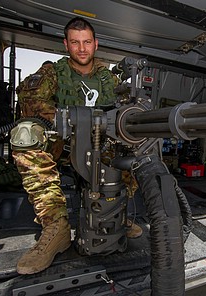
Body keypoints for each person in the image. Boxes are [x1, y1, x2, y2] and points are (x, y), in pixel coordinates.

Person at [10, 17, 142, 275]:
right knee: (25, 134)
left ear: (95, 44)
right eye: (75, 42)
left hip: (100, 142)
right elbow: (31, 102)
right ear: (66, 44)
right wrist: (71, 119)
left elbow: (125, 111)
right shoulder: (53, 72)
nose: (82, 48)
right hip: (61, 141)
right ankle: (55, 226)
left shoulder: (108, 79)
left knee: (134, 143)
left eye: (87, 42)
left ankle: (115, 212)